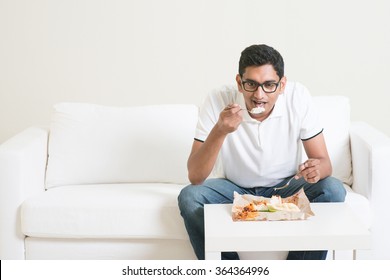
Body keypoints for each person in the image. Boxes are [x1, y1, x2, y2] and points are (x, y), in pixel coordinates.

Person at [178, 44, 346, 260]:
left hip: (286, 187)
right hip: (234, 189)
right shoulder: (218, 100)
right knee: (190, 197)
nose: (259, 95)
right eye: (251, 84)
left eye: (269, 85)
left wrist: (315, 169)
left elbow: (325, 164)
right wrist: (220, 131)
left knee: (333, 189)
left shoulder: (298, 97)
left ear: (282, 85)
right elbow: (195, 176)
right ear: (239, 83)